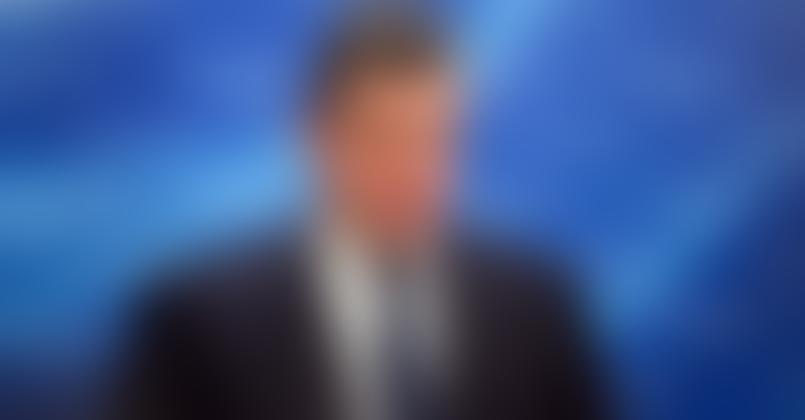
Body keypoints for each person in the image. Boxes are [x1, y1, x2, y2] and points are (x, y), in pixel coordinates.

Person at [116, 10, 608, 420]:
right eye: (385, 137)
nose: (414, 170)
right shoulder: (202, 326)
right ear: (318, 139)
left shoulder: (535, 312)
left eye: (437, 139)